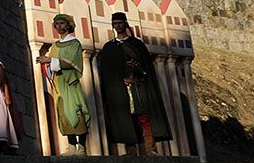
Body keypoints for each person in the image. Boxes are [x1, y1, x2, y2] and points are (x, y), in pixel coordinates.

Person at [99, 12, 172, 154]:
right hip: (120, 89)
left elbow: (146, 66)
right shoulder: (109, 47)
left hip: (138, 86)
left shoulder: (137, 45)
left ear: (125, 23)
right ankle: (131, 151)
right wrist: (119, 80)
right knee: (125, 119)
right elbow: (108, 72)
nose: (118, 26)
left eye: (120, 23)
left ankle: (150, 149)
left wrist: (136, 76)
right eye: (115, 23)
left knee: (144, 116)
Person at [38, 14, 90, 154]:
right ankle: (71, 146)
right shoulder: (54, 45)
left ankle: (82, 147)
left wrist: (50, 60)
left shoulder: (74, 43)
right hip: (59, 84)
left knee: (76, 111)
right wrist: (46, 64)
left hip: (70, 82)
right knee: (63, 112)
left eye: (62, 23)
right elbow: (52, 63)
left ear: (68, 25)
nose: (59, 26)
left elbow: (73, 61)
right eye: (57, 24)